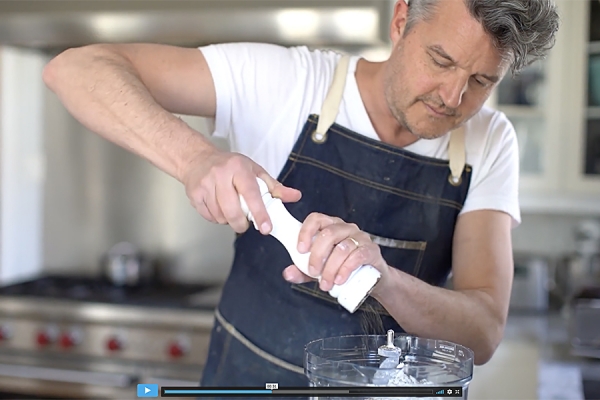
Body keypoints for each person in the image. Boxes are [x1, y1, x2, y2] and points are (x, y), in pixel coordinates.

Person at [43, 0, 559, 387]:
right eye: (440, 60)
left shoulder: (490, 142)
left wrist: (384, 280)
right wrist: (195, 158)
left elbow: (484, 331)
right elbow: (76, 68)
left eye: (481, 81)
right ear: (401, 19)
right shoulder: (289, 83)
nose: (452, 98)